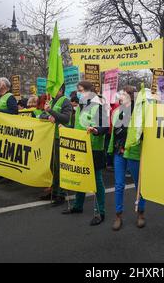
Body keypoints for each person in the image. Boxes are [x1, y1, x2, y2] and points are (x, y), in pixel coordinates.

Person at [62, 81, 109, 226]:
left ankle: (101, 212)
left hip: (95, 149)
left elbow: (105, 127)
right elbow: (78, 126)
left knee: (97, 180)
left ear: (89, 91)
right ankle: (78, 206)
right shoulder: (80, 107)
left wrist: (96, 131)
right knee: (80, 175)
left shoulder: (98, 106)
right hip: (80, 147)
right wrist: (65, 127)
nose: (78, 94)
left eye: (80, 91)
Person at [108, 86, 146, 231]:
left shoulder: (140, 111)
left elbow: (145, 132)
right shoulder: (117, 111)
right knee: (118, 185)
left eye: (123, 94)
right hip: (119, 151)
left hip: (134, 152)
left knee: (139, 184)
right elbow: (114, 132)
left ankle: (141, 213)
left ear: (130, 96)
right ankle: (118, 215)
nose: (120, 96)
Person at [39, 85, 72, 205]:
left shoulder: (66, 101)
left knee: (59, 167)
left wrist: (51, 112)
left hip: (60, 138)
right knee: (52, 166)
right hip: (50, 138)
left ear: (60, 90)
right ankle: (54, 190)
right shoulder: (51, 101)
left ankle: (61, 194)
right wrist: (48, 115)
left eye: (54, 88)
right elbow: (41, 115)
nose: (51, 91)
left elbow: (66, 119)